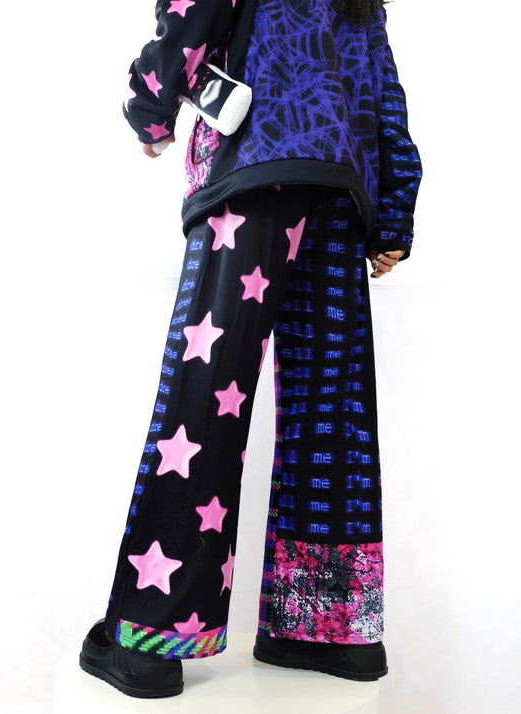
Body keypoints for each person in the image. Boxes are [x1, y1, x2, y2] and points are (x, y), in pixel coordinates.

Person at [79, 0, 422, 698]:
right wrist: (393, 217)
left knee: (205, 396)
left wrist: (150, 112)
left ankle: (151, 636)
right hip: (340, 192)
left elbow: (190, 15)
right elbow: (385, 95)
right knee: (332, 412)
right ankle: (325, 629)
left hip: (255, 170)